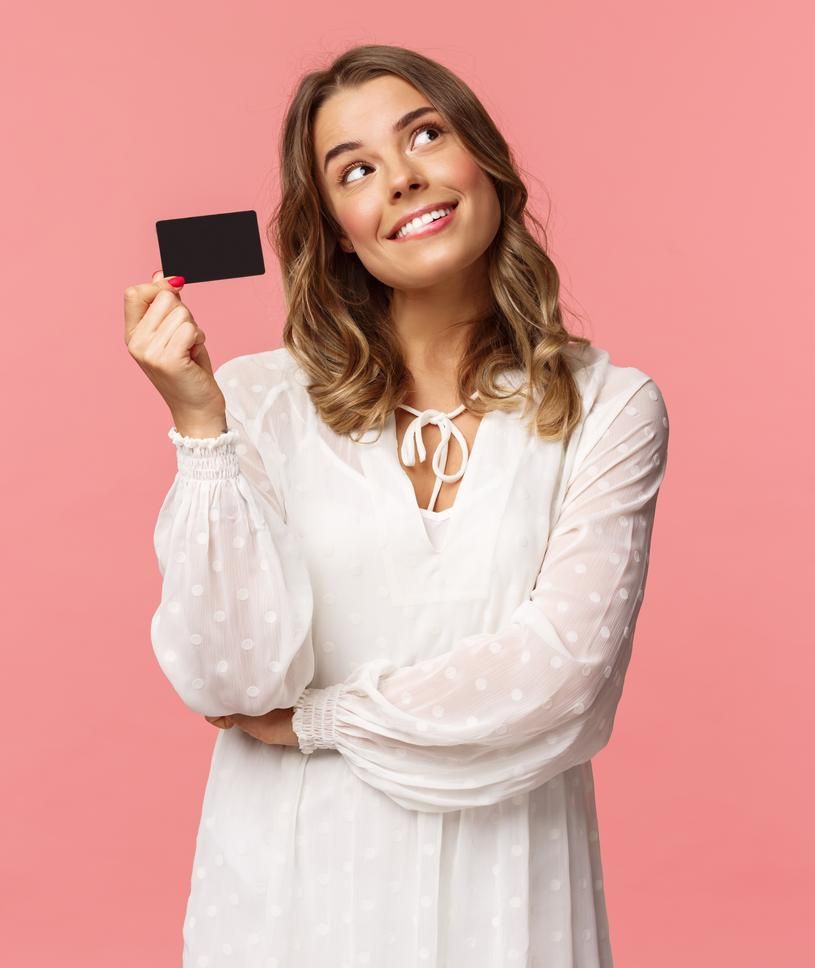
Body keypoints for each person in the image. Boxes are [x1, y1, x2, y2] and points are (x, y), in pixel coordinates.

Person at [124, 44, 670, 968]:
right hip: (292, 892)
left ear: (485, 162)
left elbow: (562, 676)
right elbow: (232, 683)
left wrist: (318, 722)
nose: (405, 179)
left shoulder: (608, 406)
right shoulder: (255, 402)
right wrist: (200, 426)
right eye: (358, 170)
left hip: (507, 896)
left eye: (426, 134)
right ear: (336, 226)